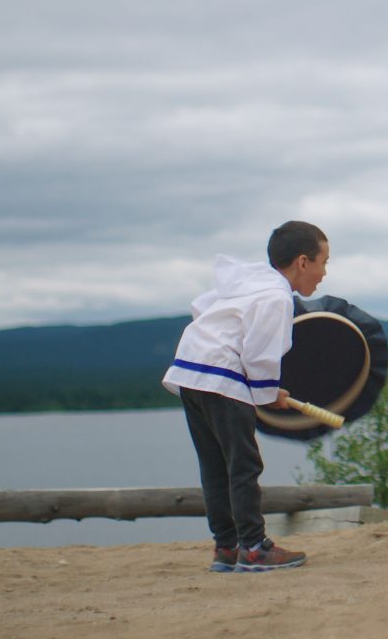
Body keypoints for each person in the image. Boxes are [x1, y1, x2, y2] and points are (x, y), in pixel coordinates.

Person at [161, 220, 330, 572]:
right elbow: (258, 354)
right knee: (243, 464)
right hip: (221, 375)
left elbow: (204, 310)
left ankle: (226, 547)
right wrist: (267, 393)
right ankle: (253, 548)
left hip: (192, 370)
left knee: (215, 465)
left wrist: (262, 388)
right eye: (323, 262)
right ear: (302, 262)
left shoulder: (250, 284)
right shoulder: (275, 297)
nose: (324, 273)